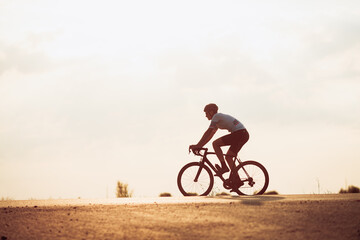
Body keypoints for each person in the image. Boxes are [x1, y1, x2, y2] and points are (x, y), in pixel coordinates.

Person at [189, 103, 249, 176]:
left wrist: (198, 145)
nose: (205, 115)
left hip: (239, 134)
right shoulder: (217, 121)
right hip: (242, 134)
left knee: (215, 144)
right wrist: (200, 145)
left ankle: (224, 167)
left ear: (211, 112)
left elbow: (208, 132)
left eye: (206, 113)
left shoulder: (216, 116)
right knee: (228, 157)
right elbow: (210, 135)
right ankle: (236, 180)